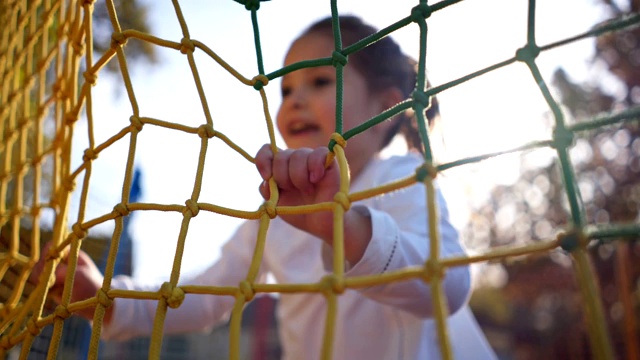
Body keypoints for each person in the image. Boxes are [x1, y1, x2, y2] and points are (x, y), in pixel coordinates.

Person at [39, 15, 497, 360]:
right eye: (285, 89)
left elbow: (448, 286)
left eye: (320, 79)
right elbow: (202, 296)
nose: (294, 99)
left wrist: (346, 227)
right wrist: (108, 299)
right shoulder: (276, 213)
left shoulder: (402, 177)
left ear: (388, 106)